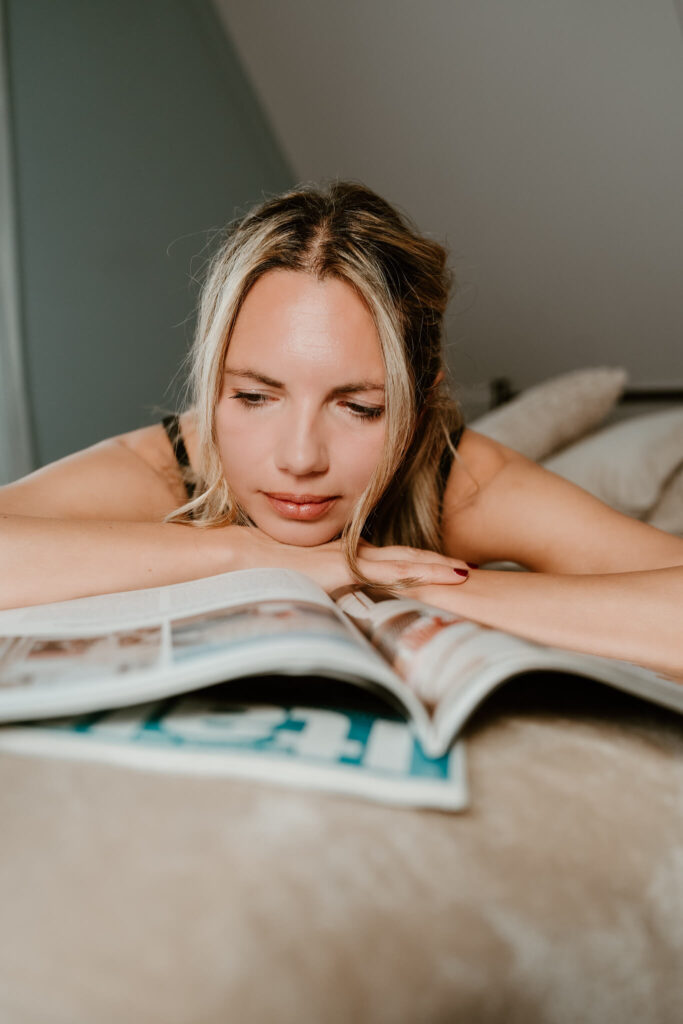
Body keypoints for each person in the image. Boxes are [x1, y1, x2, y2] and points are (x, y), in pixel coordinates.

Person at [1, 181, 681, 680]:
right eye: (253, 396)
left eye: (358, 408)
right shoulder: (168, 465)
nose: (298, 459)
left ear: (420, 407)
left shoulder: (456, 478)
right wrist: (250, 557)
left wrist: (397, 583)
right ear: (211, 385)